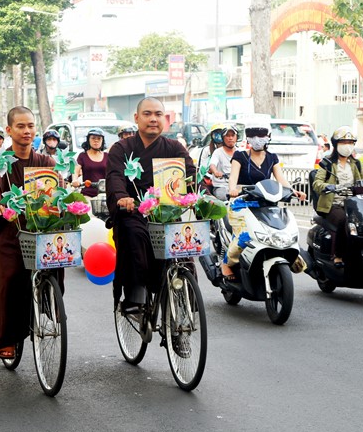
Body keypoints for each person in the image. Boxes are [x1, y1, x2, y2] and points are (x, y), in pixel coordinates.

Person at [0, 106, 61, 360]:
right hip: (10, 230)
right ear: (9, 130)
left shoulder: (46, 162)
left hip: (40, 229)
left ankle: (51, 304)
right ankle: (7, 338)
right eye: (20, 126)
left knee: (58, 259)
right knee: (9, 276)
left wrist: (67, 204)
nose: (26, 131)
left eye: (30, 126)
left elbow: (57, 189)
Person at [106, 97, 196, 313]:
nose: (153, 119)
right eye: (147, 114)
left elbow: (191, 175)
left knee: (183, 248)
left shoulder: (174, 148)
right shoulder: (121, 148)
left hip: (166, 212)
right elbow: (115, 177)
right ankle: (136, 292)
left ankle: (186, 302)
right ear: (136, 118)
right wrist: (122, 197)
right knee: (134, 234)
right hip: (133, 212)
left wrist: (201, 197)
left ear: (164, 119)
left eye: (158, 114)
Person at [221, 123, 307, 279]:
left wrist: (293, 191)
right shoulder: (240, 156)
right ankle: (227, 263)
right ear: (248, 139)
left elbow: (281, 179)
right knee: (246, 236)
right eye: (253, 137)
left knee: (283, 234)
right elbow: (233, 177)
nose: (257, 140)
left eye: (261, 137)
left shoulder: (272, 158)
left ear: (268, 138)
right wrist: (232, 189)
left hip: (265, 204)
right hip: (242, 203)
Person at [313, 126, 363, 268]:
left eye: (350, 142)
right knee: (344, 220)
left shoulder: (356, 164)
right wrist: (327, 187)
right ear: (336, 144)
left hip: (353, 204)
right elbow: (317, 183)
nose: (347, 145)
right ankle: (338, 255)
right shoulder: (327, 163)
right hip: (332, 205)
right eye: (343, 142)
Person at [71, 128, 108, 197]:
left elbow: (114, 172)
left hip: (105, 193)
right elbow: (75, 170)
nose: (96, 140)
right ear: (88, 140)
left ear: (102, 141)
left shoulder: (107, 156)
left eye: (99, 138)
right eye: (93, 138)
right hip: (87, 194)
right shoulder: (82, 155)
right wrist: (74, 180)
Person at [208, 124, 238, 200]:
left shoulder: (240, 152)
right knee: (222, 197)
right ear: (223, 138)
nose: (230, 138)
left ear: (236, 137)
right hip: (221, 186)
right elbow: (212, 164)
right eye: (227, 136)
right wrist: (216, 172)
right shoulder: (218, 152)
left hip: (237, 185)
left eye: (232, 135)